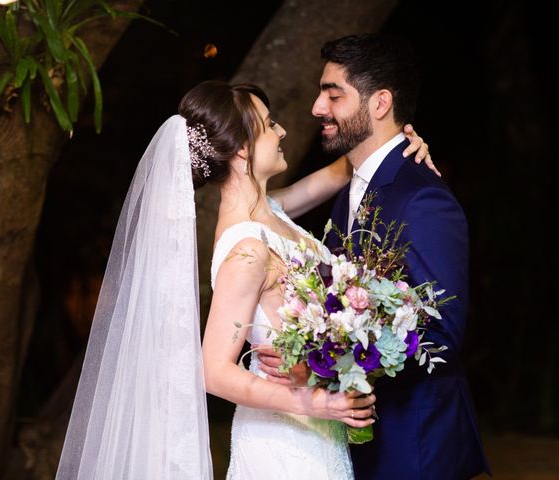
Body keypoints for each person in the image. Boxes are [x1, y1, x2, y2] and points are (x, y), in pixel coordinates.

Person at [55, 79, 433, 479]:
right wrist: (312, 402)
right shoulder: (247, 251)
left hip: (317, 434)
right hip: (282, 445)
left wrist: (402, 144)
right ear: (241, 147)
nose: (282, 131)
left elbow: (342, 171)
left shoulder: (270, 210)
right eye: (270, 125)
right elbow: (213, 370)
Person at [258, 34, 491, 479]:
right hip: (365, 440)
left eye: (333, 94)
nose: (317, 108)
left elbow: (441, 332)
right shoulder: (353, 187)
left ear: (380, 102)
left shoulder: (422, 198)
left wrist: (328, 356)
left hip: (415, 449)